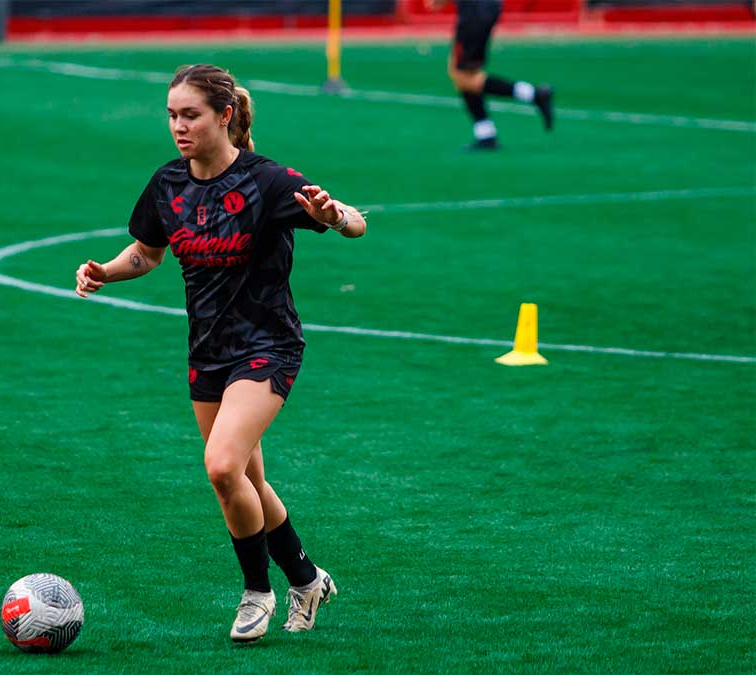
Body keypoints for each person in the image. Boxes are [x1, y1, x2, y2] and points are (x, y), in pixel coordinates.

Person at [74, 64, 366, 643]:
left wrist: (333, 217)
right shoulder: (167, 184)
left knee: (222, 466)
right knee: (248, 482)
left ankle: (257, 591)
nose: (179, 127)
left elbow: (354, 223)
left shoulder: (269, 181)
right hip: (208, 353)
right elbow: (148, 253)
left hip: (268, 347)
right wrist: (104, 271)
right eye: (172, 116)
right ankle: (306, 579)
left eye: (191, 115)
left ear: (225, 116)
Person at [429, 0, 555, 149]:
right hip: (480, 8)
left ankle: (534, 94)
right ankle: (486, 135)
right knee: (461, 72)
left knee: (463, 76)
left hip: (475, 10)